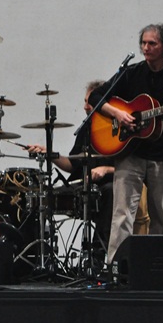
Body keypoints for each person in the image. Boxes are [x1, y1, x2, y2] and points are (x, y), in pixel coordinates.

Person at [87, 23, 163, 263]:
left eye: (152, 43)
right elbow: (96, 96)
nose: (146, 48)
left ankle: (156, 267)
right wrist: (118, 114)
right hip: (130, 154)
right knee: (122, 215)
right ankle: (116, 268)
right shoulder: (131, 73)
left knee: (160, 217)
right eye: (143, 43)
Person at [25, 80, 115, 264]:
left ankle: (96, 257)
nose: (85, 107)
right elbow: (72, 165)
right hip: (83, 185)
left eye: (89, 102)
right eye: (85, 101)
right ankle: (38, 257)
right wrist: (49, 154)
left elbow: (131, 168)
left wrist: (106, 169)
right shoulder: (86, 129)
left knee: (110, 191)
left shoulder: (118, 128)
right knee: (41, 196)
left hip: (108, 187)